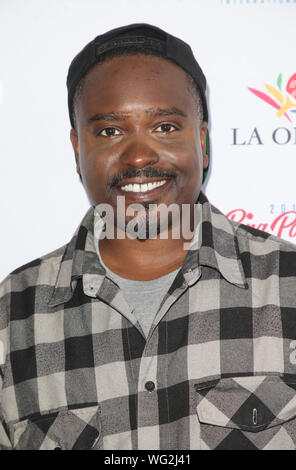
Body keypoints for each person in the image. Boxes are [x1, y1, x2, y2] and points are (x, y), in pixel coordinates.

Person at [1, 23, 296, 451]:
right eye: (110, 131)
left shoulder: (289, 287)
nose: (139, 155)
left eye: (165, 127)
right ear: (77, 151)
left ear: (203, 140)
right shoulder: (13, 316)